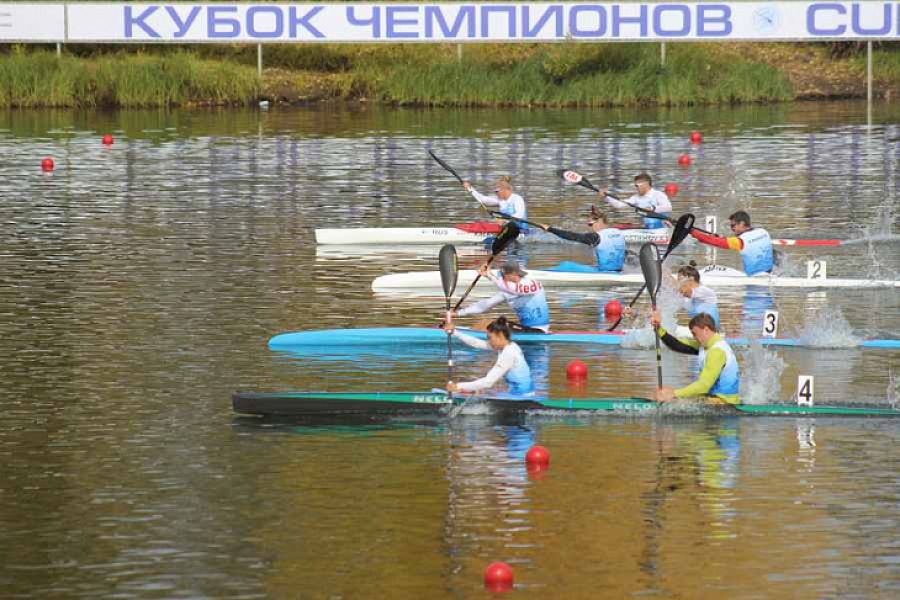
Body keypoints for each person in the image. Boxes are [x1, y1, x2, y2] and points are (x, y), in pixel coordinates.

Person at [652, 311, 740, 405]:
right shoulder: (706, 345)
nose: (694, 337)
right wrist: (658, 328)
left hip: (725, 404)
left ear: (706, 330)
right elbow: (677, 345)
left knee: (675, 401)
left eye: (695, 334)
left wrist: (674, 394)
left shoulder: (717, 351)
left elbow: (704, 385)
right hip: (712, 400)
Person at [449, 261, 550, 332]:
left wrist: (490, 276)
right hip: (525, 329)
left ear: (512, 274)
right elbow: (485, 305)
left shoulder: (532, 284)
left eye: (503, 275)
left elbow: (516, 289)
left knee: (493, 324)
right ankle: (462, 332)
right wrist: (458, 313)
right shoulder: (506, 291)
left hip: (539, 330)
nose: (501, 277)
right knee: (484, 323)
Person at [446, 317, 534, 395]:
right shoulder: (511, 345)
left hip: (520, 396)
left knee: (479, 389)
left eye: (490, 337)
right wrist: (455, 332)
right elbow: (476, 343)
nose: (488, 341)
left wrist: (458, 386)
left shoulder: (508, 353)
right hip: (522, 392)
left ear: (500, 335)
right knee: (481, 390)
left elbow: (488, 382)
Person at [539, 206, 625, 272]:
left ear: (599, 221)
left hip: (604, 273)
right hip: (618, 271)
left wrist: (550, 229)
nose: (590, 228)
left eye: (590, 224)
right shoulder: (619, 233)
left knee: (567, 265)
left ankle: (540, 274)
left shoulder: (596, 237)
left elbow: (571, 236)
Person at [690, 210, 774, 276]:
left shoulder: (741, 241)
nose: (732, 228)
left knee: (711, 269)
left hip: (755, 277)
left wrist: (695, 233)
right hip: (768, 273)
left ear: (742, 223)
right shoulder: (763, 231)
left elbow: (716, 242)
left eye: (733, 225)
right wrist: (720, 238)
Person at [599, 173, 672, 229]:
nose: (636, 188)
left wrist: (651, 208)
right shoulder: (636, 197)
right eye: (635, 185)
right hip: (649, 228)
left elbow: (668, 207)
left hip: (662, 228)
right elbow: (619, 205)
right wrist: (606, 197)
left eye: (637, 185)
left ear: (646, 184)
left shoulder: (658, 194)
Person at [463, 175, 528, 231]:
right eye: (495, 191)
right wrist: (470, 188)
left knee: (508, 225)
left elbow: (519, 215)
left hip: (520, 229)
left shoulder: (517, 199)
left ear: (505, 189)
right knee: (482, 223)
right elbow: (483, 199)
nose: (496, 193)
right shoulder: (500, 200)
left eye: (497, 191)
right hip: (505, 228)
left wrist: (504, 220)